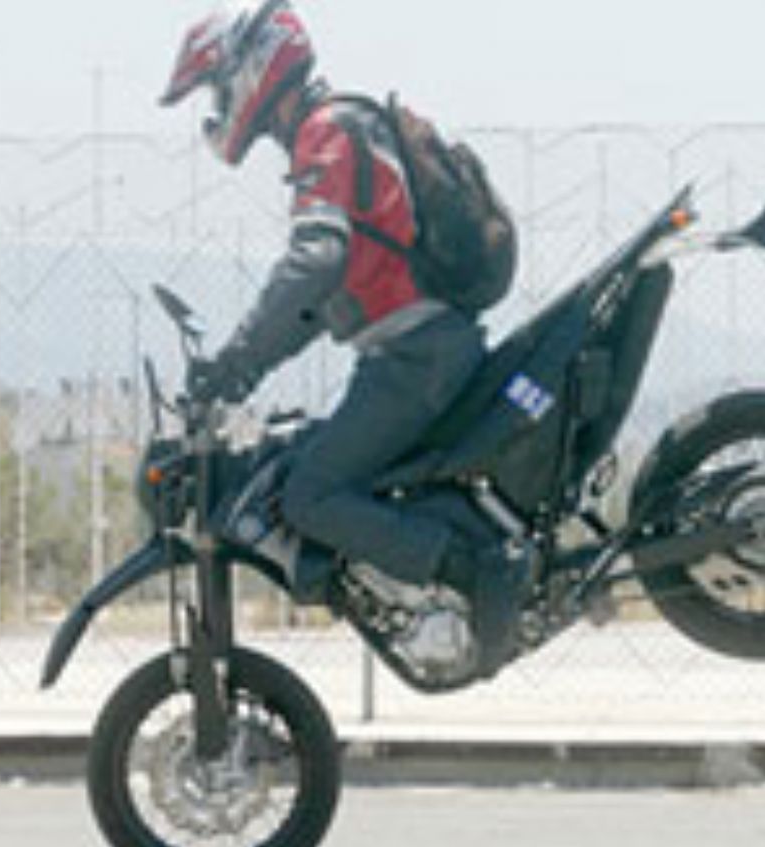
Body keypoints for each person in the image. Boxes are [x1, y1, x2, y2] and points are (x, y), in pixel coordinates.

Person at [158, 0, 528, 672]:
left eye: (217, 89)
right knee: (294, 466)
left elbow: (315, 262)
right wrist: (242, 371)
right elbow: (319, 304)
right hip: (409, 352)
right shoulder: (338, 129)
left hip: (414, 358)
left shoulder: (325, 134)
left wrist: (233, 361)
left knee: (310, 495)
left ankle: (473, 567)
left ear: (253, 69)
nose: (218, 108)